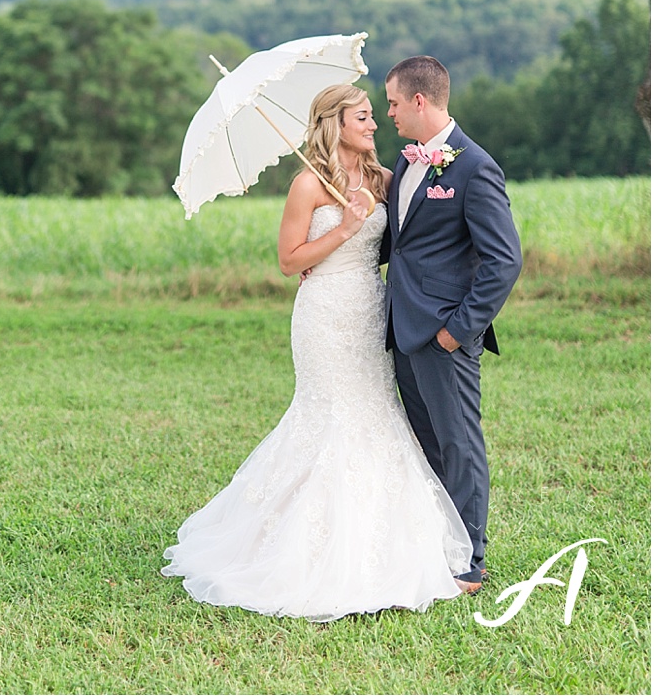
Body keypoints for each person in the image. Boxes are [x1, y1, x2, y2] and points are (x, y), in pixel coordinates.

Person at [162, 83, 472, 620]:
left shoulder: (384, 179)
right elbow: (288, 261)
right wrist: (344, 229)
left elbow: (412, 240)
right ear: (334, 122)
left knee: (377, 411)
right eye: (362, 117)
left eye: (376, 115)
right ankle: (297, 544)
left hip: (372, 310)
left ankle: (387, 540)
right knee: (328, 415)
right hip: (324, 313)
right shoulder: (308, 184)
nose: (374, 125)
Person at [383, 54, 523, 594]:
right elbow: (401, 241)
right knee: (425, 444)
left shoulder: (473, 167)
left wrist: (457, 331)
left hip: (443, 334)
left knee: (459, 442)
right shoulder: (405, 162)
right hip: (400, 328)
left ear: (420, 100)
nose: (388, 112)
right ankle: (434, 544)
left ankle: (470, 561)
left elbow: (504, 260)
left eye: (393, 102)